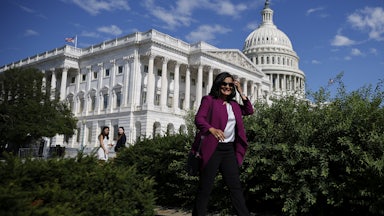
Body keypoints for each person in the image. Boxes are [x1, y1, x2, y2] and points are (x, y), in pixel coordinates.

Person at [192, 72, 254, 216]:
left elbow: (249, 110)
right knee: (205, 188)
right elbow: (199, 119)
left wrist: (241, 92)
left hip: (228, 150)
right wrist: (211, 129)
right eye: (224, 84)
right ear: (218, 84)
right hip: (213, 149)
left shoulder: (234, 105)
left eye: (230, 85)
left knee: (235, 187)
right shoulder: (209, 100)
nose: (227, 87)